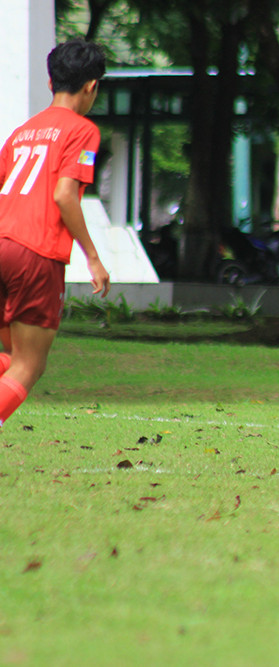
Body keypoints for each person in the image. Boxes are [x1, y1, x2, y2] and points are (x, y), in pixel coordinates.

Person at [0, 39, 110, 429]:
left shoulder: (21, 133)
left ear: (50, 82)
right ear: (91, 86)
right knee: (29, 365)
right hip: (33, 253)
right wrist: (93, 257)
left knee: (14, 355)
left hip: (1, 244)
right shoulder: (83, 132)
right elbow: (65, 196)